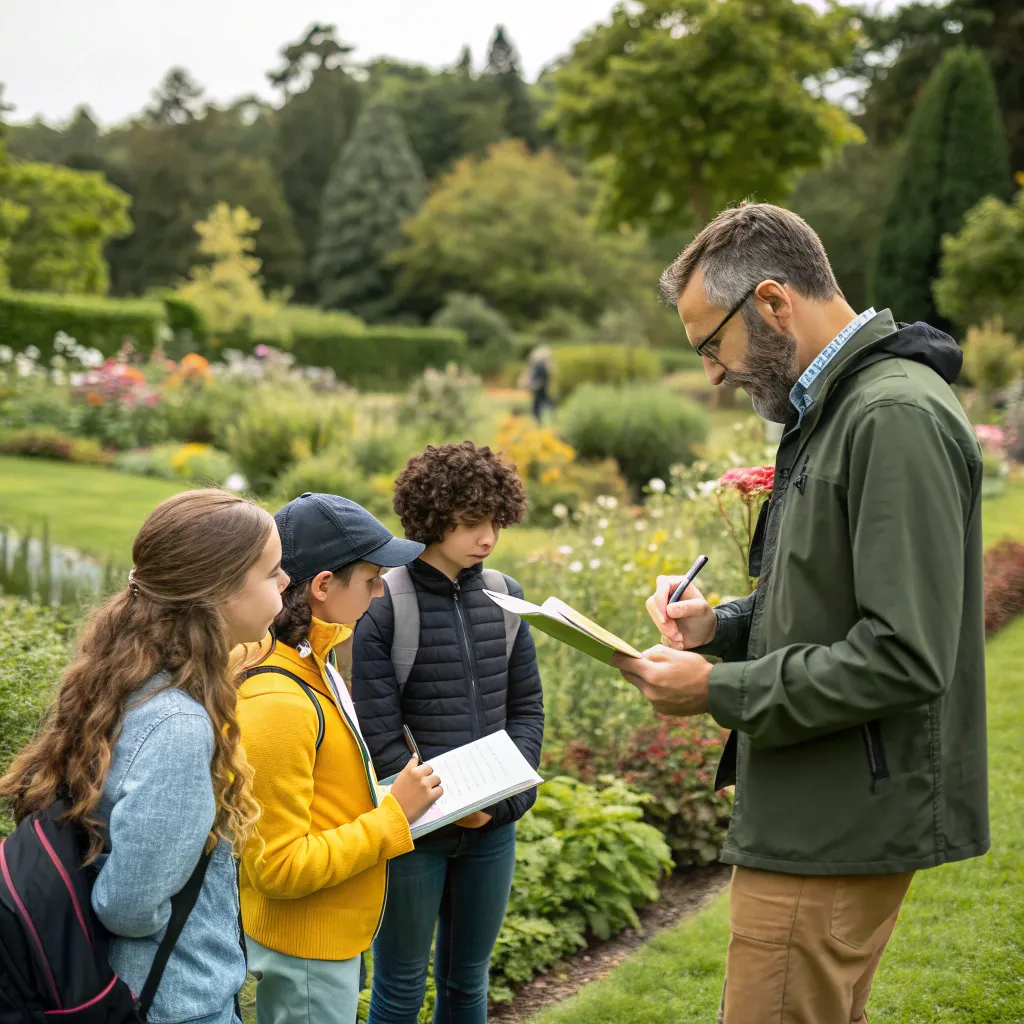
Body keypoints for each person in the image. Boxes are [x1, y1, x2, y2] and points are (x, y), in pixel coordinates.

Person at [614, 202, 987, 1024]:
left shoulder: (889, 416)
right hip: (823, 806)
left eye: (713, 342)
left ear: (774, 303)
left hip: (837, 819)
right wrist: (723, 626)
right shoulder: (838, 408)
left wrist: (714, 689)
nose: (713, 373)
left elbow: (902, 654)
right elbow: (830, 598)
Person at [0, 489, 290, 1024]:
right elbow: (129, 908)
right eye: (271, 572)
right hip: (172, 1003)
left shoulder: (126, 680)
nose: (285, 582)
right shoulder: (178, 726)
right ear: (221, 594)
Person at [352, 441, 545, 1024]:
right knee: (400, 988)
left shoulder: (507, 597)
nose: (487, 537)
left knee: (467, 984)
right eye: (469, 523)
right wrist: (448, 806)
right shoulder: (385, 602)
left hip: (493, 831)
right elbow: (378, 732)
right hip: (414, 834)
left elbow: (528, 711)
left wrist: (504, 803)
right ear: (433, 520)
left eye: (494, 521)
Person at [236, 492, 444, 1024]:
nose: (380, 591)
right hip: (306, 949)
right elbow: (278, 868)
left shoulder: (314, 658)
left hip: (327, 933)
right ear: (324, 586)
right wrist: (394, 815)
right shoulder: (279, 701)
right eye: (372, 578)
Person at [526, 346, 553, 423]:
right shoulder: (542, 364)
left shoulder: (538, 364)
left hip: (539, 387)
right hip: (541, 386)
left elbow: (536, 376)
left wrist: (531, 384)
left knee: (539, 403)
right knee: (542, 402)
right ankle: (540, 419)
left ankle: (538, 419)